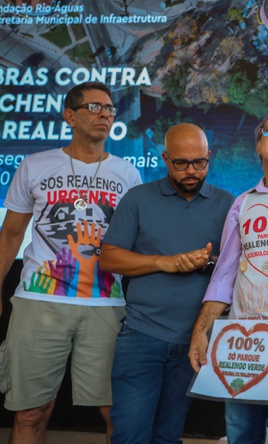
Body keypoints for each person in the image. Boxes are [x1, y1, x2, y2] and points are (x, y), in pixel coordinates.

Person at [0, 81, 142, 443]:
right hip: (39, 300)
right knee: (31, 413)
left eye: (110, 109)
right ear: (70, 115)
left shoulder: (128, 174)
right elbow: (10, 236)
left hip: (106, 305)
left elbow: (135, 245)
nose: (105, 115)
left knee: (117, 415)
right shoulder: (34, 166)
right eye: (95, 107)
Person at [99, 123, 234, 443]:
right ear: (165, 158)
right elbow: (108, 259)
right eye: (181, 163)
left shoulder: (229, 204)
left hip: (195, 340)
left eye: (199, 162)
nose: (191, 171)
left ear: (209, 157)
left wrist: (209, 262)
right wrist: (165, 262)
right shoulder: (138, 198)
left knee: (168, 435)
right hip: (142, 336)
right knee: (130, 434)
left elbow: (237, 265)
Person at [188, 110, 268, 444]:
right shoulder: (243, 203)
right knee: (242, 435)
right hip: (245, 341)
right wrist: (201, 330)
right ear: (258, 147)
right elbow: (224, 273)